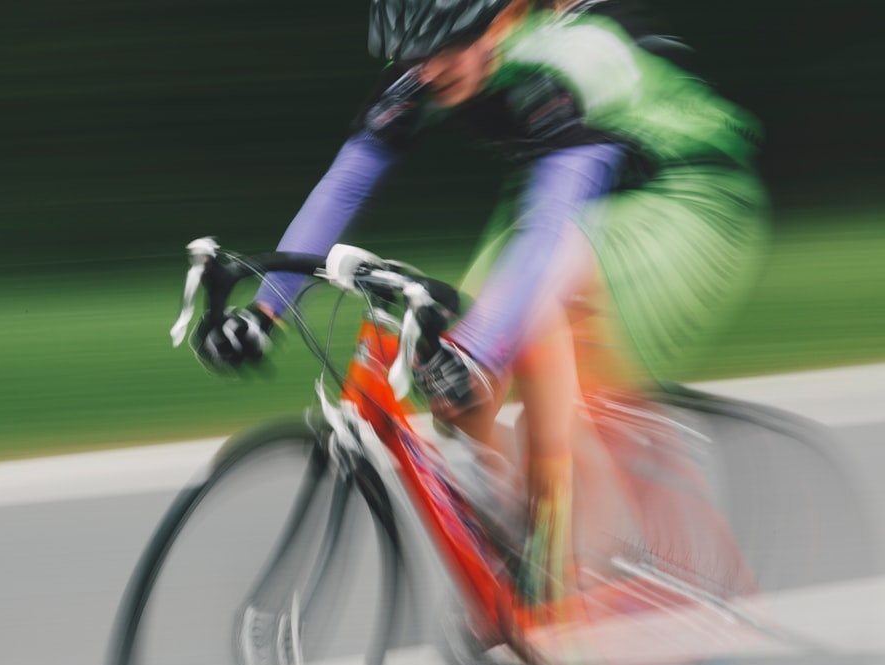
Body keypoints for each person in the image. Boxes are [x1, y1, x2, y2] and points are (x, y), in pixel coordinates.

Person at [195, 0, 767, 627]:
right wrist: (265, 312)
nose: (427, 71)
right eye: (412, 57)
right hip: (576, 199)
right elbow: (346, 184)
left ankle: (557, 554)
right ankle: (518, 545)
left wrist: (480, 352)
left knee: (530, 326)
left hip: (685, 192)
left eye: (446, 50)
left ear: (498, 24)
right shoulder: (423, 70)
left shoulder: (562, 68)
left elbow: (552, 227)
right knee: (453, 368)